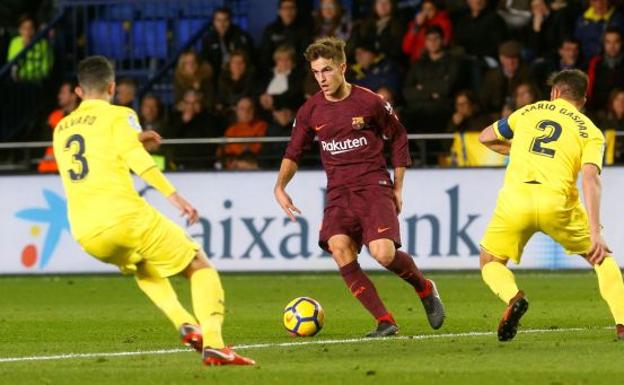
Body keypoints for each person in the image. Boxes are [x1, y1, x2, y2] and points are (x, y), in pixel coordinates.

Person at [52, 56, 255, 366]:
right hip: (124, 217)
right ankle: (214, 343)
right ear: (112, 86)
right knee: (199, 266)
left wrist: (131, 139)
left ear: (79, 92)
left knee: (143, 264)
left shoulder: (61, 128)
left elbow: (94, 150)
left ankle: (184, 322)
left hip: (85, 231)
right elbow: (137, 159)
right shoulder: (120, 114)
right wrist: (176, 198)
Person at [274, 37, 445, 337]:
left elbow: (399, 137)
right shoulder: (310, 110)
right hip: (339, 193)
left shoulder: (370, 102)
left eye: (326, 70)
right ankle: (385, 320)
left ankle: (425, 288)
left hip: (373, 187)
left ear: (342, 67)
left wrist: (398, 186)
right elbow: (293, 152)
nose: (321, 79)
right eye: (316, 73)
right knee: (339, 248)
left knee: (383, 254)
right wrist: (280, 186)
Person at [478, 69, 624, 341]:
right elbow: (591, 179)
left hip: (516, 200)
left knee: (490, 261)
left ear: (555, 93)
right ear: (583, 98)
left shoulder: (528, 111)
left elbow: (485, 137)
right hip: (557, 203)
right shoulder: (590, 130)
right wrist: (595, 232)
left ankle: (514, 297)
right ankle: (623, 323)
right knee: (602, 260)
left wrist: (519, 148)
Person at [38, 80, 80, 173]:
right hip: (49, 167)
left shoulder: (83, 116)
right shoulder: (54, 116)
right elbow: (44, 140)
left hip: (74, 170)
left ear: (73, 96)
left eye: (63, 93)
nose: (59, 96)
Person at [202, 7, 255, 78]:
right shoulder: (208, 38)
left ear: (230, 21)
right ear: (214, 22)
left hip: (238, 73)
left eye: (225, 20)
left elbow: (247, 59)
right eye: (218, 20)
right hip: (216, 74)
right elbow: (206, 59)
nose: (222, 24)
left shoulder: (240, 36)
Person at [7, 14, 53, 82]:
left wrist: (35, 78)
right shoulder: (15, 42)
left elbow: (47, 67)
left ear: (35, 29)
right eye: (24, 28)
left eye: (30, 28)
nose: (27, 31)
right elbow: (11, 63)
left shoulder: (43, 44)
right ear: (20, 30)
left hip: (37, 83)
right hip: (19, 82)